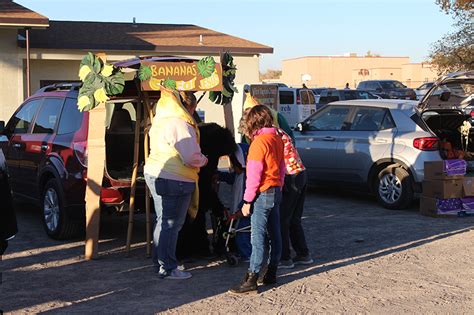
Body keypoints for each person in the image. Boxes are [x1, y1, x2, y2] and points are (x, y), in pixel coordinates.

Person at [144, 89, 207, 280]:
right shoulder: (179, 122)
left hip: (155, 173)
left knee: (162, 221)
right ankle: (168, 267)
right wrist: (204, 160)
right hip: (175, 178)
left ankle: (160, 262)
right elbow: (190, 156)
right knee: (172, 224)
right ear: (187, 106)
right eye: (193, 109)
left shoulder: (161, 117)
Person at [229, 105, 285, 294]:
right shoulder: (277, 138)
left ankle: (252, 278)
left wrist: (247, 201)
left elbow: (253, 176)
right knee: (275, 235)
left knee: (257, 238)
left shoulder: (259, 143)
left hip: (262, 193)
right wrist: (279, 186)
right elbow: (282, 166)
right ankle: (271, 272)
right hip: (276, 190)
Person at [275, 127, 313, 269]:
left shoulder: (269, 136)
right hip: (300, 172)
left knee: (282, 219)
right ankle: (303, 253)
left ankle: (285, 257)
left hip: (290, 176)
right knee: (294, 218)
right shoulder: (279, 131)